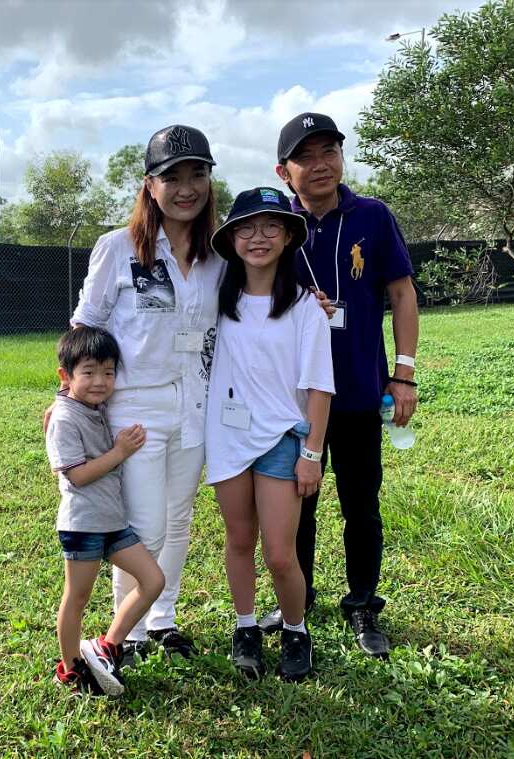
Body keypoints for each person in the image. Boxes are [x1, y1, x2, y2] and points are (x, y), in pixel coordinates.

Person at [256, 112, 420, 658]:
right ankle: (295, 600)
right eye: (306, 156)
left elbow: (401, 294)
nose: (321, 164)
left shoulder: (372, 216)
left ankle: (363, 605)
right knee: (297, 504)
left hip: (354, 392)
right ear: (285, 170)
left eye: (329, 151)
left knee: (360, 504)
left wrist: (404, 374)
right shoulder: (274, 229)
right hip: (294, 402)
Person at [67, 125, 225, 661]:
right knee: (142, 527)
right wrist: (67, 395)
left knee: (179, 519)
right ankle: (126, 633)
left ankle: (162, 620)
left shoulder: (218, 256)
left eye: (197, 175)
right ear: (149, 185)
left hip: (195, 404)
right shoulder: (118, 248)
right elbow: (85, 324)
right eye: (172, 177)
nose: (186, 188)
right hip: (133, 408)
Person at [205, 187, 334, 682]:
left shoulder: (304, 307)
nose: (258, 237)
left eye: (271, 227)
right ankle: (245, 628)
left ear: (287, 237)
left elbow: (319, 387)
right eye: (246, 227)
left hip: (283, 438)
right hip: (227, 437)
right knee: (238, 539)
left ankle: (296, 631)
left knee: (281, 553)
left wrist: (312, 453)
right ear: (232, 238)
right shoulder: (217, 300)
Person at [46, 326, 165, 695]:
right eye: (89, 372)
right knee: (77, 598)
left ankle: (106, 646)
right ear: (65, 376)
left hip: (113, 523)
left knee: (153, 581)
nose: (100, 381)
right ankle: (69, 669)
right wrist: (119, 453)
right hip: (83, 525)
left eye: (109, 372)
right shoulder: (64, 418)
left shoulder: (95, 407)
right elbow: (77, 476)